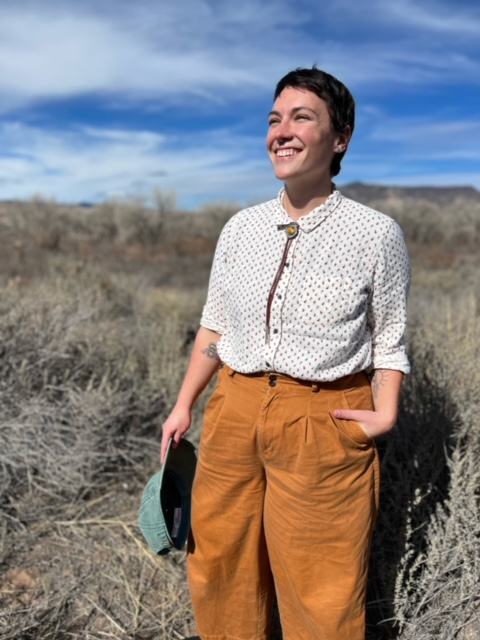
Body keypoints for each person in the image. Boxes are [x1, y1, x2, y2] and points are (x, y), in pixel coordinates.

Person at [160, 67, 410, 640]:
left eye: (302, 117)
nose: (283, 130)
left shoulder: (376, 233)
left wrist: (386, 413)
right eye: (275, 119)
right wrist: (184, 406)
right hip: (234, 410)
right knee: (219, 566)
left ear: (340, 138)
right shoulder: (240, 228)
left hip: (324, 421)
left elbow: (389, 339)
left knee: (321, 586)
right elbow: (214, 327)